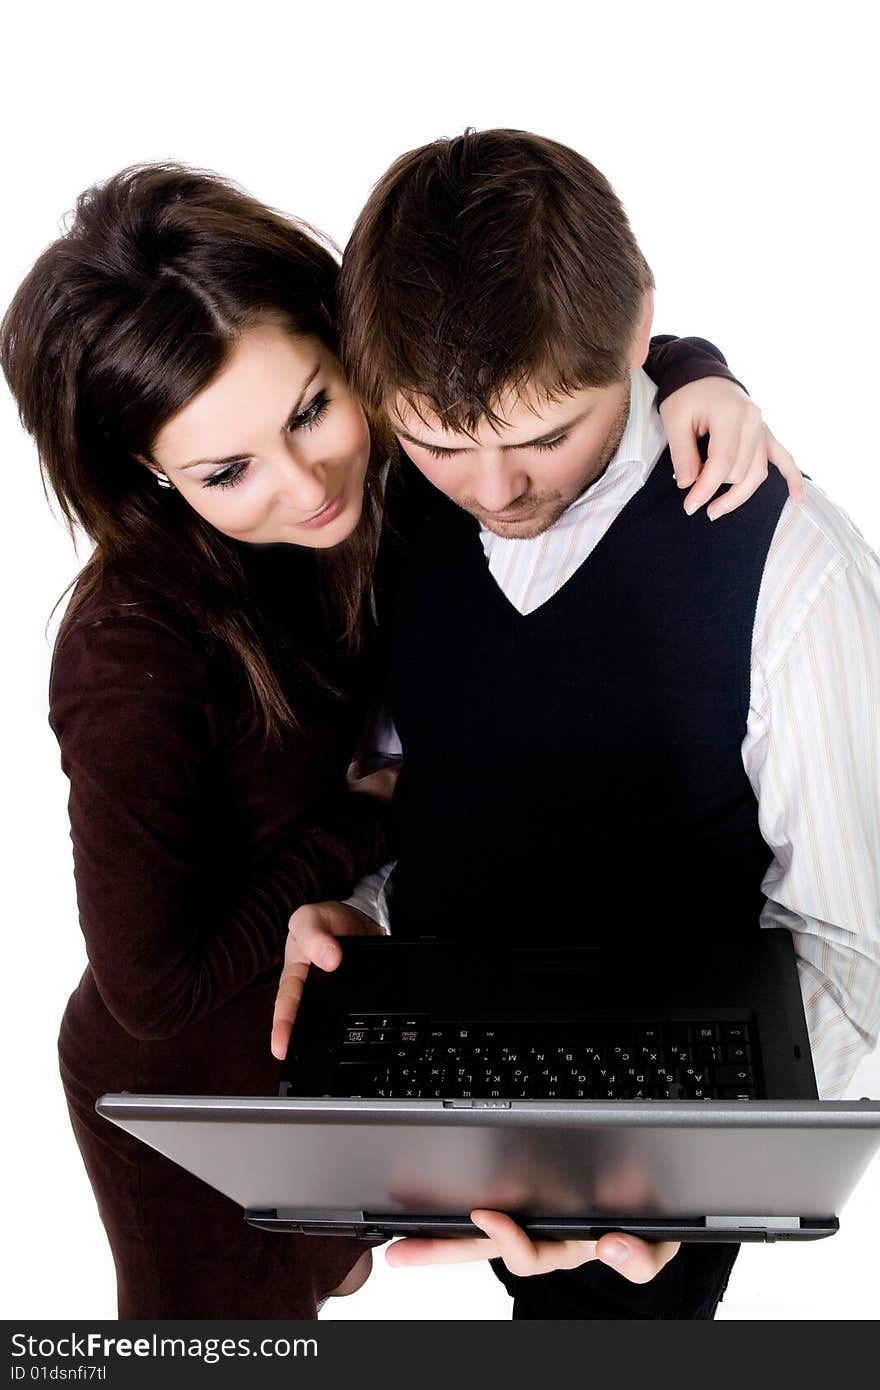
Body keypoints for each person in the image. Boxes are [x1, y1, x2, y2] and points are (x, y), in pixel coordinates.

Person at [1, 162, 798, 1322]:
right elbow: (153, 986)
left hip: (362, 1036)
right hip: (204, 1096)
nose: (311, 481)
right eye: (226, 472)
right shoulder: (130, 652)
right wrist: (369, 823)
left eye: (314, 409)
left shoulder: (419, 467)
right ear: (149, 473)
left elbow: (544, 346)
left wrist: (685, 371)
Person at [273, 129, 880, 1320]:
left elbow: (858, 969)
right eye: (443, 444)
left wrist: (666, 1172)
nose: (496, 492)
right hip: (450, 1060)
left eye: (548, 435)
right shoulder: (387, 512)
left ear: (641, 326)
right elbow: (459, 772)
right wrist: (378, 912)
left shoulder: (790, 572)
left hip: (672, 1126)